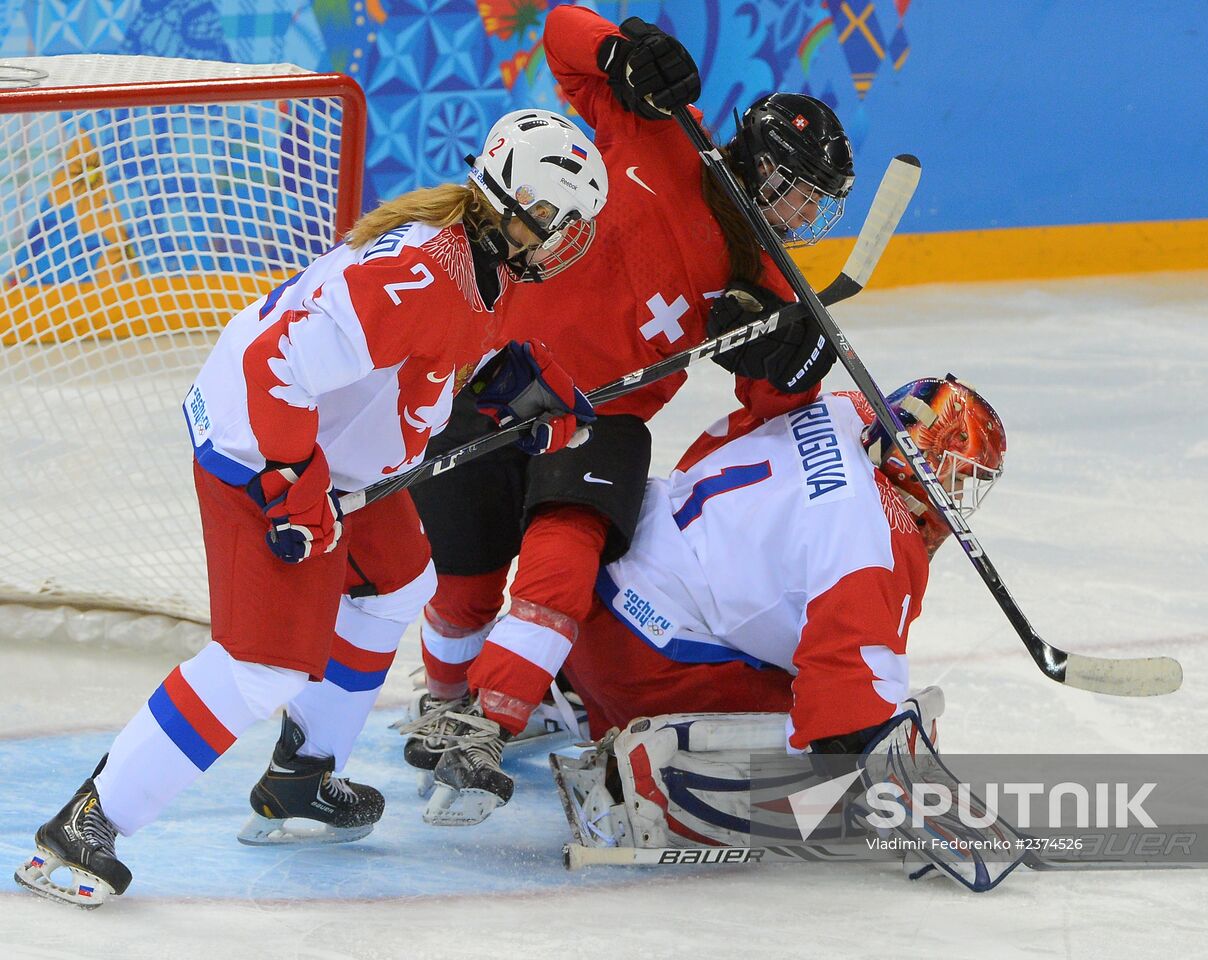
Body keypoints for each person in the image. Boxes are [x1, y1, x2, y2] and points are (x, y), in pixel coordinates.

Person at [14, 108, 608, 908]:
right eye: (554, 218)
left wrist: (517, 390)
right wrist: (291, 482)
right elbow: (274, 362)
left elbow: (440, 356)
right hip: (259, 448)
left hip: (332, 460)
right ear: (512, 201)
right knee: (259, 666)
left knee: (398, 585)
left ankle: (301, 776)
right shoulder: (426, 273)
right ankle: (84, 825)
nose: (562, 237)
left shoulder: (483, 260)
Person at [397, 4, 857, 827]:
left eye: (816, 203)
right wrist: (618, 51)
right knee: (463, 579)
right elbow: (560, 35)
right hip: (500, 377)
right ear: (761, 166)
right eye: (797, 193)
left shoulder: (770, 280)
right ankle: (445, 705)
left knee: (563, 554)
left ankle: (490, 721)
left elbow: (776, 410)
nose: (801, 217)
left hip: (601, 419)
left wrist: (786, 354)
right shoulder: (662, 135)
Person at [552, 376, 1021, 890]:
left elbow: (711, 445)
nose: (955, 499)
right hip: (643, 666)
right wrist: (911, 799)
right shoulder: (877, 543)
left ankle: (565, 687)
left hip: (592, 588)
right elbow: (845, 715)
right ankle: (641, 791)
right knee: (853, 760)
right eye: (957, 477)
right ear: (919, 461)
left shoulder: (844, 407)